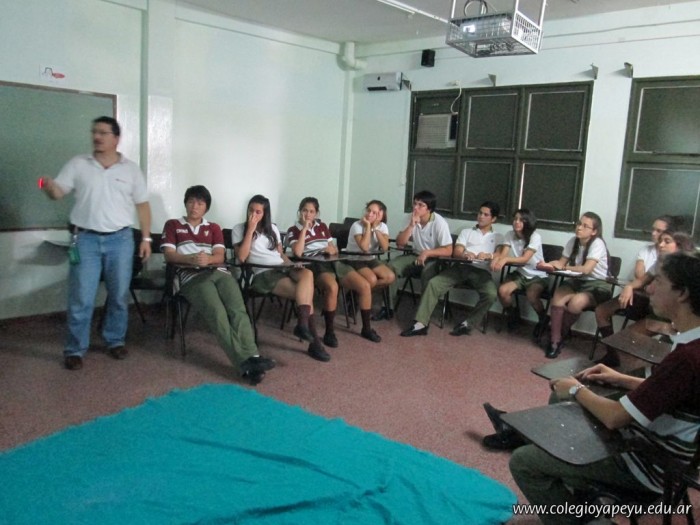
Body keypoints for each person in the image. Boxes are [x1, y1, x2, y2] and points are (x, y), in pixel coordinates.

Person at [507, 252, 700, 525]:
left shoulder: (687, 357)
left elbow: (615, 417)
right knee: (567, 400)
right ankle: (582, 494)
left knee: (524, 462)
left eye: (658, 281)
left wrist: (575, 389)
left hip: (649, 463)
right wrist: (620, 378)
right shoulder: (691, 344)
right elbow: (672, 391)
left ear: (682, 293)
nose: (649, 288)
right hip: (667, 449)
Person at [40, 116, 152, 371]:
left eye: (103, 132)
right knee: (81, 296)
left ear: (116, 138)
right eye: (94, 132)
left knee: (119, 294)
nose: (97, 137)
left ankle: (115, 340)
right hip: (85, 240)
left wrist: (146, 238)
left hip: (120, 240)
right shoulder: (78, 164)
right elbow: (58, 192)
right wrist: (48, 186)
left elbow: (143, 205)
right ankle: (75, 349)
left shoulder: (131, 170)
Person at [161, 186, 276, 385]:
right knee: (218, 314)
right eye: (191, 201)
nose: (195, 206)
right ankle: (243, 362)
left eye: (200, 203)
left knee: (238, 310)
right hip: (192, 277)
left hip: (219, 272)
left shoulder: (213, 227)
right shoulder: (173, 225)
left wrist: (209, 260)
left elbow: (220, 255)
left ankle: (254, 357)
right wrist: (190, 259)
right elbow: (169, 255)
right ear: (185, 203)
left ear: (206, 207)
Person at [232, 195, 330, 362]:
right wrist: (250, 230)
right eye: (250, 210)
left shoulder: (272, 229)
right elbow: (241, 257)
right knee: (305, 295)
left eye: (258, 212)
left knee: (307, 274)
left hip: (281, 267)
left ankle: (303, 325)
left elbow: (280, 254)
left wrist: (291, 264)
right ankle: (314, 342)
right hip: (263, 273)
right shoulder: (239, 229)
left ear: (265, 213)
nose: (253, 215)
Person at [286, 197, 381, 344]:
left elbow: (333, 247)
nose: (308, 214)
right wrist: (305, 229)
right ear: (300, 212)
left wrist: (330, 249)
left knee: (365, 286)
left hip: (333, 261)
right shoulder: (293, 230)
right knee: (332, 286)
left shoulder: (322, 226)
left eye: (311, 211)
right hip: (316, 264)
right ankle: (329, 332)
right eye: (305, 210)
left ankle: (366, 328)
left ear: (316, 213)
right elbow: (298, 252)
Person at [400, 201, 503, 337]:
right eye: (480, 213)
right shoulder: (467, 232)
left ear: (493, 219)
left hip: (482, 272)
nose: (481, 216)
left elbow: (500, 254)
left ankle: (468, 324)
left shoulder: (498, 237)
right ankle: (421, 324)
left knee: (491, 294)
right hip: (461, 267)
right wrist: (465, 255)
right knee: (433, 283)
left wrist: (489, 255)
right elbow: (457, 251)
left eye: (485, 214)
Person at [594, 229, 695, 366]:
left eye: (667, 241)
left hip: (669, 315)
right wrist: (629, 286)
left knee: (627, 339)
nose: (661, 245)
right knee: (602, 310)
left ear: (680, 245)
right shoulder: (660, 262)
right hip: (651, 303)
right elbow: (642, 280)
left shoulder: (688, 269)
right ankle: (612, 355)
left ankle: (628, 365)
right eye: (660, 241)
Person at [538, 212, 609, 359]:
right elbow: (561, 263)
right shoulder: (573, 241)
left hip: (597, 284)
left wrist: (564, 267)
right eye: (579, 224)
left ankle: (561, 333)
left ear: (594, 231)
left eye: (585, 226)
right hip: (576, 280)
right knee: (557, 299)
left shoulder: (597, 243)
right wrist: (550, 265)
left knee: (575, 304)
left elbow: (586, 269)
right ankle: (555, 342)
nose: (579, 228)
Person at [387, 190, 453, 333]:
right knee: (390, 267)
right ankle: (388, 308)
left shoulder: (439, 222)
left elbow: (448, 250)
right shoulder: (409, 218)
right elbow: (400, 243)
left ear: (429, 209)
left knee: (428, 275)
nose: (415, 208)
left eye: (421, 205)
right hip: (415, 256)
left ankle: (421, 322)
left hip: (434, 259)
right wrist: (411, 226)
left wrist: (428, 252)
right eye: (415, 203)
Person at [490, 208, 548, 334]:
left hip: (537, 275)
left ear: (528, 222)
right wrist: (496, 259)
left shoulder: (535, 236)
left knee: (532, 295)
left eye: (521, 220)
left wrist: (505, 259)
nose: (517, 222)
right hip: (520, 274)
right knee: (502, 291)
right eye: (515, 219)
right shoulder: (509, 234)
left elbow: (524, 259)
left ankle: (543, 318)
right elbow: (503, 254)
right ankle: (513, 315)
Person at [345, 200, 396, 320]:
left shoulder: (383, 227)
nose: (370, 214)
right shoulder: (357, 225)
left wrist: (376, 229)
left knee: (390, 277)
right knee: (371, 279)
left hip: (370, 259)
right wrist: (368, 226)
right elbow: (364, 247)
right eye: (368, 210)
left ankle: (356, 291)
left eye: (374, 213)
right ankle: (359, 291)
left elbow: (385, 247)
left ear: (380, 215)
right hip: (354, 258)